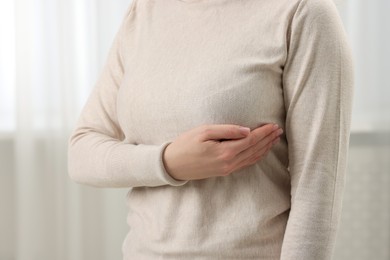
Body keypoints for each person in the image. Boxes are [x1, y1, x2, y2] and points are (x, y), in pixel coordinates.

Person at [67, 0, 354, 259]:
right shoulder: (145, 11)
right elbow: (81, 152)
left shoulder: (304, 12)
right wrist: (169, 162)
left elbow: (316, 188)